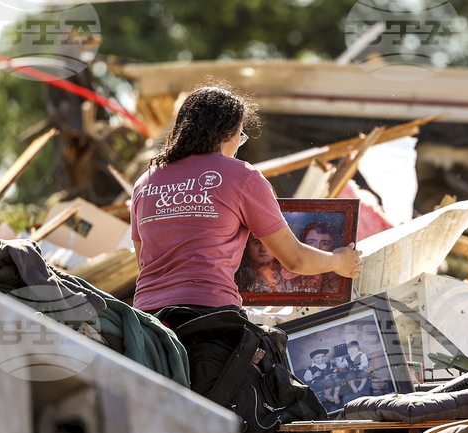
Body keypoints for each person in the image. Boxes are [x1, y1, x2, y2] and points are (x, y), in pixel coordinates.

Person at [131, 83, 362, 318]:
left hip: (146, 323)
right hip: (208, 318)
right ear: (226, 135)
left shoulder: (144, 182)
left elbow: (144, 263)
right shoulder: (241, 175)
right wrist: (339, 261)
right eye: (240, 136)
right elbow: (295, 260)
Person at [287, 221, 344, 293]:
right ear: (302, 244)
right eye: (311, 242)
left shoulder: (336, 278)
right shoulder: (288, 272)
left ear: (332, 247)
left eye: (324, 243)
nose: (317, 248)